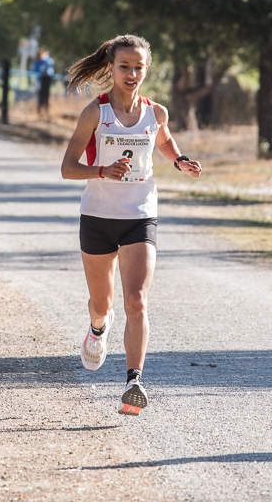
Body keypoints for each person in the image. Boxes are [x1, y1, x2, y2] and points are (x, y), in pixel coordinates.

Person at [60, 34, 202, 416]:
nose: (132, 74)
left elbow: (166, 142)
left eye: (139, 67)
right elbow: (67, 168)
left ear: (147, 69)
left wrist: (181, 161)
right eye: (125, 67)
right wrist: (102, 170)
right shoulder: (96, 112)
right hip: (98, 216)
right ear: (111, 68)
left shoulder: (156, 113)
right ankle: (96, 328)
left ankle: (133, 381)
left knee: (137, 299)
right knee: (102, 304)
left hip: (140, 214)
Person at [32, 48, 55, 118]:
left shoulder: (47, 60)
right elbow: (35, 71)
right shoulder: (38, 62)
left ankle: (46, 111)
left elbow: (51, 64)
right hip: (41, 80)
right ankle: (39, 111)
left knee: (46, 96)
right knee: (41, 96)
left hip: (47, 79)